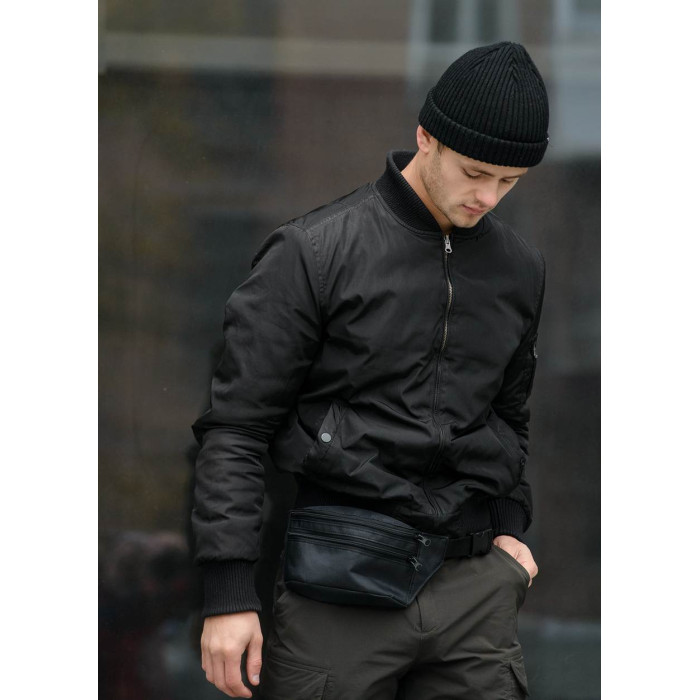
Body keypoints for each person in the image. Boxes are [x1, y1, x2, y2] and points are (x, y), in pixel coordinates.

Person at [192, 41, 549, 699]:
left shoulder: (519, 269)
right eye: (475, 172)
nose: (487, 197)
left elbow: (507, 415)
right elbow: (236, 430)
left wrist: (509, 529)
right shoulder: (313, 253)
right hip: (339, 582)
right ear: (425, 137)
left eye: (509, 182)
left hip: (474, 591)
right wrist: (229, 592)